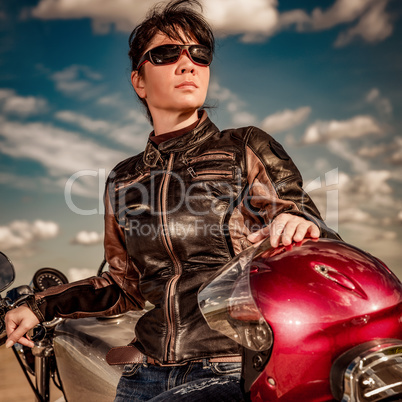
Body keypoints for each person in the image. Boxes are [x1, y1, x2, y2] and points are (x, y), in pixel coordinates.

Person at [5, 1, 341, 400]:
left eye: (199, 54)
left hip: (232, 366)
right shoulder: (123, 178)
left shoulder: (245, 146)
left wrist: (301, 223)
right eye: (167, 54)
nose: (188, 64)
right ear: (139, 82)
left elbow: (297, 212)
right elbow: (124, 285)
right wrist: (39, 307)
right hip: (144, 372)